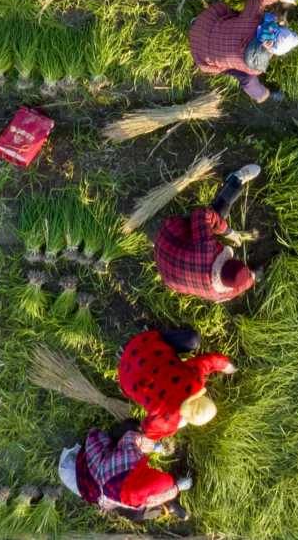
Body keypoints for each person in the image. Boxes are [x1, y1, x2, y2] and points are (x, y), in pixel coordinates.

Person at [153, 162, 261, 301]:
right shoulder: (217, 294)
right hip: (166, 272)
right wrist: (253, 276)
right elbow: (240, 285)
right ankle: (236, 179)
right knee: (215, 219)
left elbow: (201, 215)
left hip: (168, 237)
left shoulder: (207, 249)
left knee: (216, 215)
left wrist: (226, 230)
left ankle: (235, 181)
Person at [117, 328, 234, 442]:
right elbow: (148, 431)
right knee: (136, 388)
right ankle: (122, 353)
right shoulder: (166, 421)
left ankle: (144, 335)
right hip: (126, 374)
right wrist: (174, 427)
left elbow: (206, 362)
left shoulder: (194, 379)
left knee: (192, 339)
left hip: (145, 345)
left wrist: (225, 365)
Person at [189, 0, 298, 102]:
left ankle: (195, 24)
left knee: (234, 17)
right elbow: (248, 78)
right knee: (246, 78)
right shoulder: (255, 68)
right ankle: (263, 95)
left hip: (205, 24)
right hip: (202, 54)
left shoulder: (252, 19)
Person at [56, 423, 187, 516]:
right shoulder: (128, 460)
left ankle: (169, 505)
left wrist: (150, 445)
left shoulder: (129, 463)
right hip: (77, 474)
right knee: (137, 515)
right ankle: (170, 507)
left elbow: (130, 437)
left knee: (131, 427)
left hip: (87, 477)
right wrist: (177, 488)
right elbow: (153, 499)